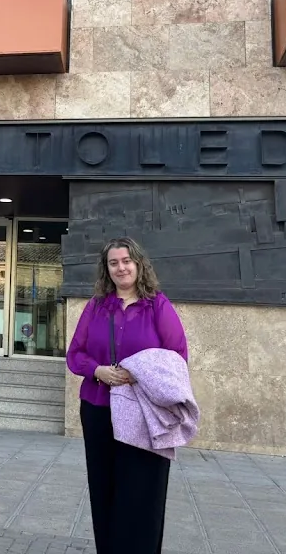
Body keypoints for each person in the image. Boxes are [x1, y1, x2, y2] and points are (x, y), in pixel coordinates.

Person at [66, 237, 189, 554]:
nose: (121, 267)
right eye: (113, 263)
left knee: (142, 489)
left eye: (126, 261)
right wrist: (98, 370)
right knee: (104, 486)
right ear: (106, 269)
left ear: (138, 263)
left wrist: (139, 373)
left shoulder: (157, 305)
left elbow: (177, 356)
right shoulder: (96, 307)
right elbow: (75, 354)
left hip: (142, 412)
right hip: (99, 408)